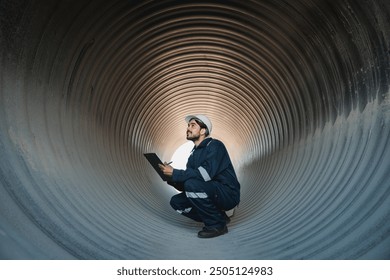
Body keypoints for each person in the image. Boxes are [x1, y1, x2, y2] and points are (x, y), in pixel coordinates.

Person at [158, 114, 240, 238]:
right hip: (210, 192)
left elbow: (205, 174)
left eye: (192, 125)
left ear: (203, 131)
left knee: (192, 184)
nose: (188, 128)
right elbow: (187, 186)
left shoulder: (215, 146)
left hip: (227, 193)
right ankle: (218, 216)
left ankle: (217, 225)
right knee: (177, 202)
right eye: (188, 126)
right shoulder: (192, 156)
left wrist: (176, 173)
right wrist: (170, 178)